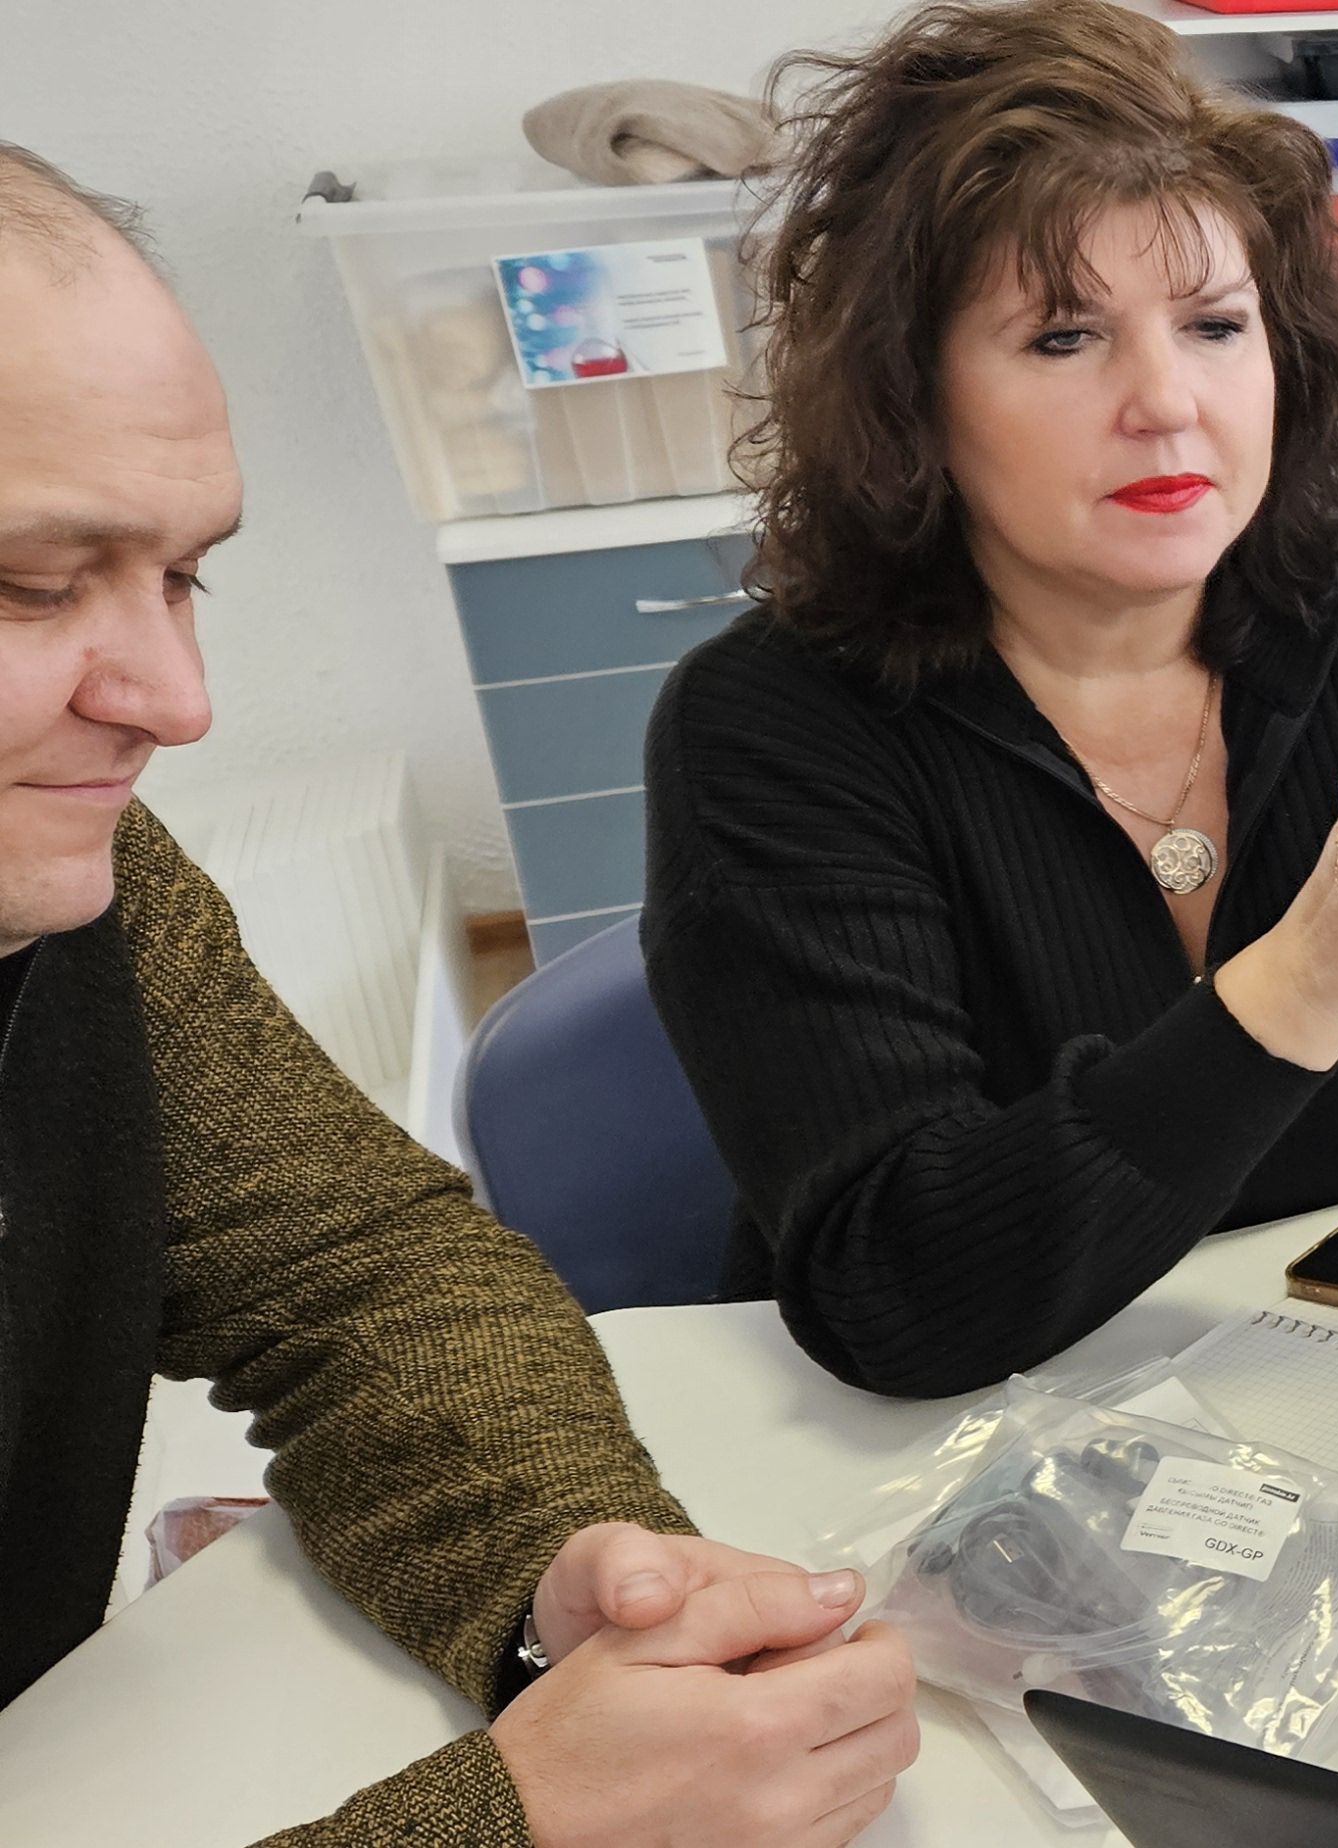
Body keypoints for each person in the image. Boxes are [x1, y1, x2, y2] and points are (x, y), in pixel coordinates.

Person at [0, 146, 917, 1846]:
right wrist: (517, 1822)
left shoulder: (93, 901)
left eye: (184, 576)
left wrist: (558, 1570)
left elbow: (354, 1269)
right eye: (33, 586)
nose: (178, 702)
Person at [643, 0, 1338, 1400]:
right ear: (910, 394)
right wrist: (1299, 989)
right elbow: (896, 1299)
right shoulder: (771, 728)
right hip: (996, 1461)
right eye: (1062, 339)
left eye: (1216, 325)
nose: (1166, 403)